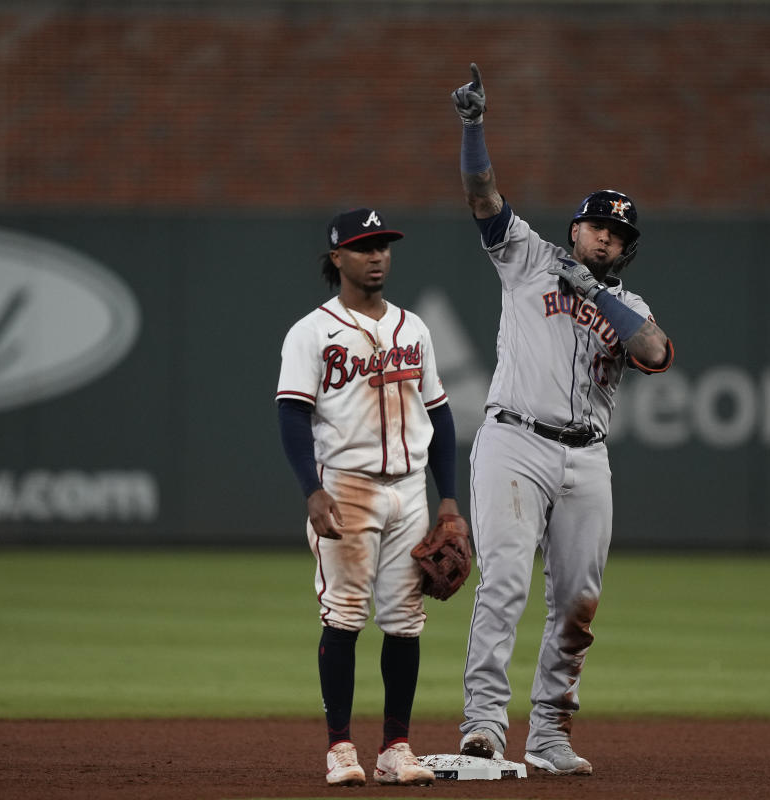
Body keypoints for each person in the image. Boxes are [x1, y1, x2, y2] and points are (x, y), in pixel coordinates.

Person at [449, 64, 674, 776]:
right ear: (575, 227)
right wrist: (473, 127)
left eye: (617, 233)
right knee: (506, 581)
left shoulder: (627, 305)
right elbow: (483, 196)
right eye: (597, 226)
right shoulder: (529, 259)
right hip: (514, 439)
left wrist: (596, 295)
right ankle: (484, 722)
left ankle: (549, 732)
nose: (605, 239)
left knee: (578, 601)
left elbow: (655, 353)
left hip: (586, 458)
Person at [275, 207, 460, 787]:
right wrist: (312, 490)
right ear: (337, 258)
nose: (376, 255)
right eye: (363, 246)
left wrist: (448, 499)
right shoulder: (311, 332)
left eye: (383, 245)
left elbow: (442, 415)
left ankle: (395, 748)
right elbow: (292, 414)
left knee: (406, 620)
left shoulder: (414, 328)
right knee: (346, 615)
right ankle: (339, 749)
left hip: (409, 487)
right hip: (346, 487)